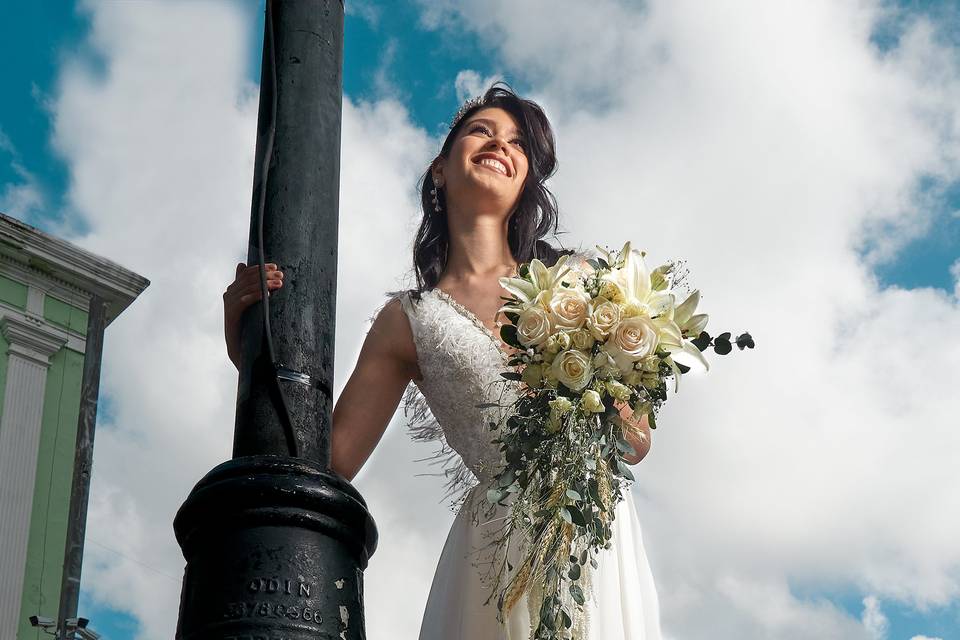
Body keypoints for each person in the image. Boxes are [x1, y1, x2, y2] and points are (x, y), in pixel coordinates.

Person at [223, 82, 662, 639]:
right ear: (439, 167)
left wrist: (606, 377)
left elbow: (638, 441)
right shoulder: (409, 320)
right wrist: (250, 355)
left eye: (518, 144)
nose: (499, 144)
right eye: (482, 131)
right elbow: (328, 462)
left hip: (593, 531)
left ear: (526, 180)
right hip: (495, 549)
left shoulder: (579, 280)